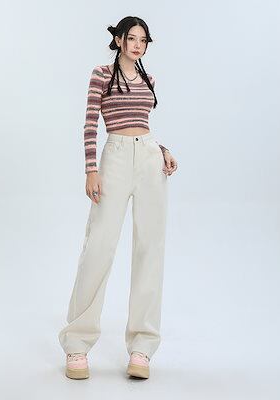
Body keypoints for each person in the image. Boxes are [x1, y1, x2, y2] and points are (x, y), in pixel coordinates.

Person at [58, 16, 178, 380]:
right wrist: (90, 169)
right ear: (119, 41)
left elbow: (142, 127)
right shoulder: (101, 74)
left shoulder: (149, 79)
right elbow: (90, 123)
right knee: (99, 245)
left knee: (150, 249)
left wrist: (163, 151)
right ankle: (77, 344)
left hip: (150, 160)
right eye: (132, 38)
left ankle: (142, 347)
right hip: (113, 159)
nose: (138, 44)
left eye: (143, 40)